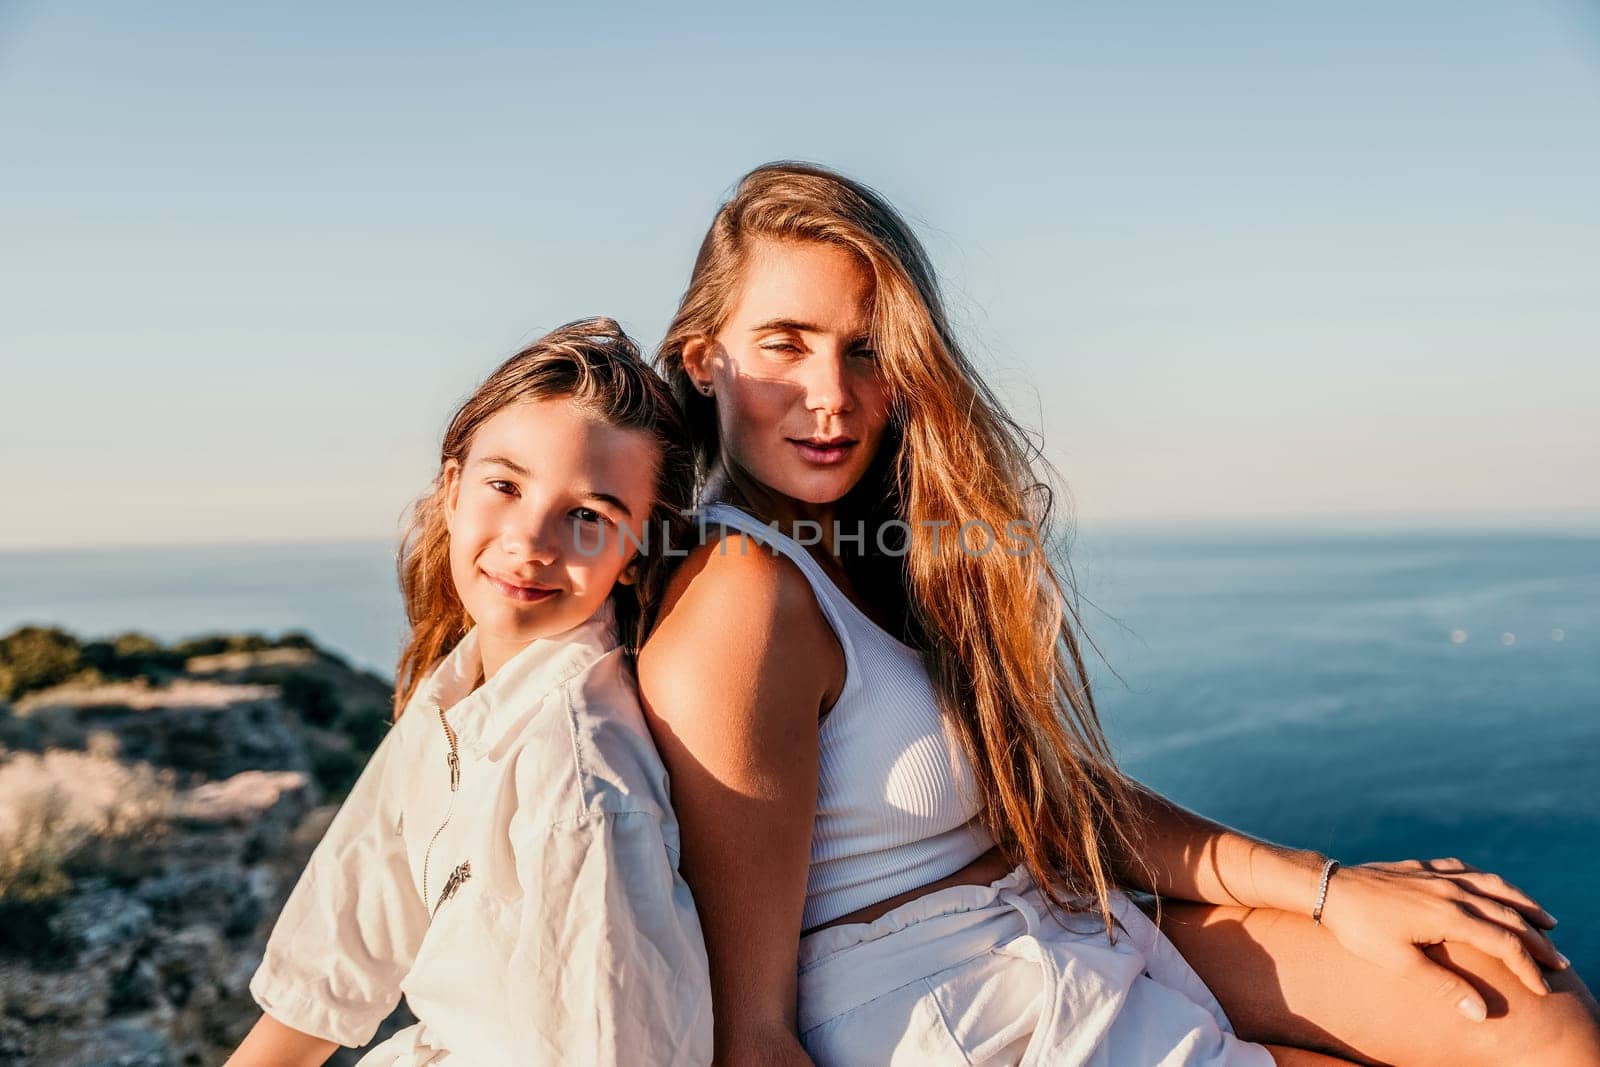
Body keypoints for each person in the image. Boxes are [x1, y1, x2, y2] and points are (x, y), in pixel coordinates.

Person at [636, 162, 1600, 1065]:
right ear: (702, 358)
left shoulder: (871, 553)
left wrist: (1329, 886)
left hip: (1062, 928)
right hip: (956, 1006)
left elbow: (1049, 798)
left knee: (1519, 999)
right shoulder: (743, 596)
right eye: (784, 344)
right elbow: (750, 1028)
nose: (832, 395)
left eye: (867, 349)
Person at [228, 318, 712, 1067]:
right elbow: (330, 969)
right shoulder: (453, 692)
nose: (530, 540)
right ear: (452, 490)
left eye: (588, 515)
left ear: (636, 550)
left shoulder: (578, 780)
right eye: (504, 484)